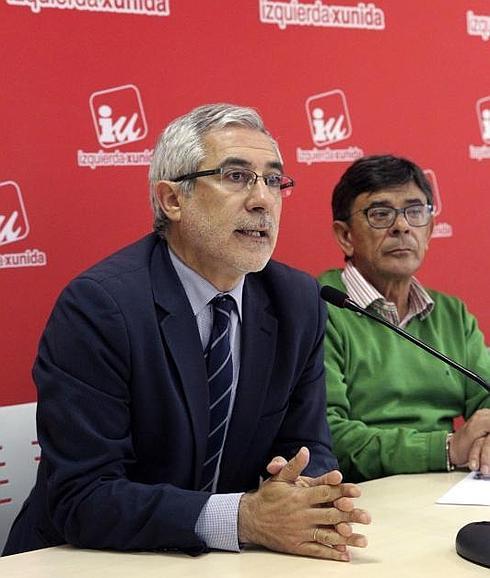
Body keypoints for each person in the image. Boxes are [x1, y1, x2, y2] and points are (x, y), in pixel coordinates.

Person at [3, 104, 370, 560]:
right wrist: (242, 517)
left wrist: (305, 491)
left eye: (274, 180)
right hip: (83, 558)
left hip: (224, 560)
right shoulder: (100, 307)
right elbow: (84, 496)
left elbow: (308, 444)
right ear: (173, 199)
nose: (262, 200)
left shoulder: (297, 301)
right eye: (236, 177)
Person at [319, 154, 490, 483]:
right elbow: (328, 435)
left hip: (448, 486)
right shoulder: (320, 308)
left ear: (428, 231)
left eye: (415, 211)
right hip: (363, 496)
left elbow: (486, 394)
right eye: (380, 214)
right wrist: (445, 448)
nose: (402, 226)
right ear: (345, 236)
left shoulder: (452, 314)